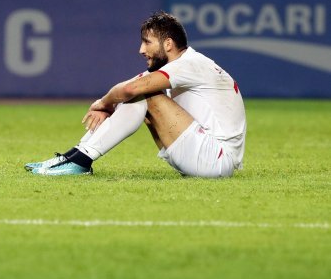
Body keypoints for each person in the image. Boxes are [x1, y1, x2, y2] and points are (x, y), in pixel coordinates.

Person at [26, 11, 245, 178]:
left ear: (168, 44)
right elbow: (126, 87)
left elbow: (131, 89)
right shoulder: (179, 65)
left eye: (147, 42)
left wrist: (104, 104)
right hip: (203, 153)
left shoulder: (191, 64)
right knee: (138, 92)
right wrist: (108, 105)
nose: (141, 50)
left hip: (217, 159)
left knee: (144, 94)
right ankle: (72, 158)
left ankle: (79, 161)